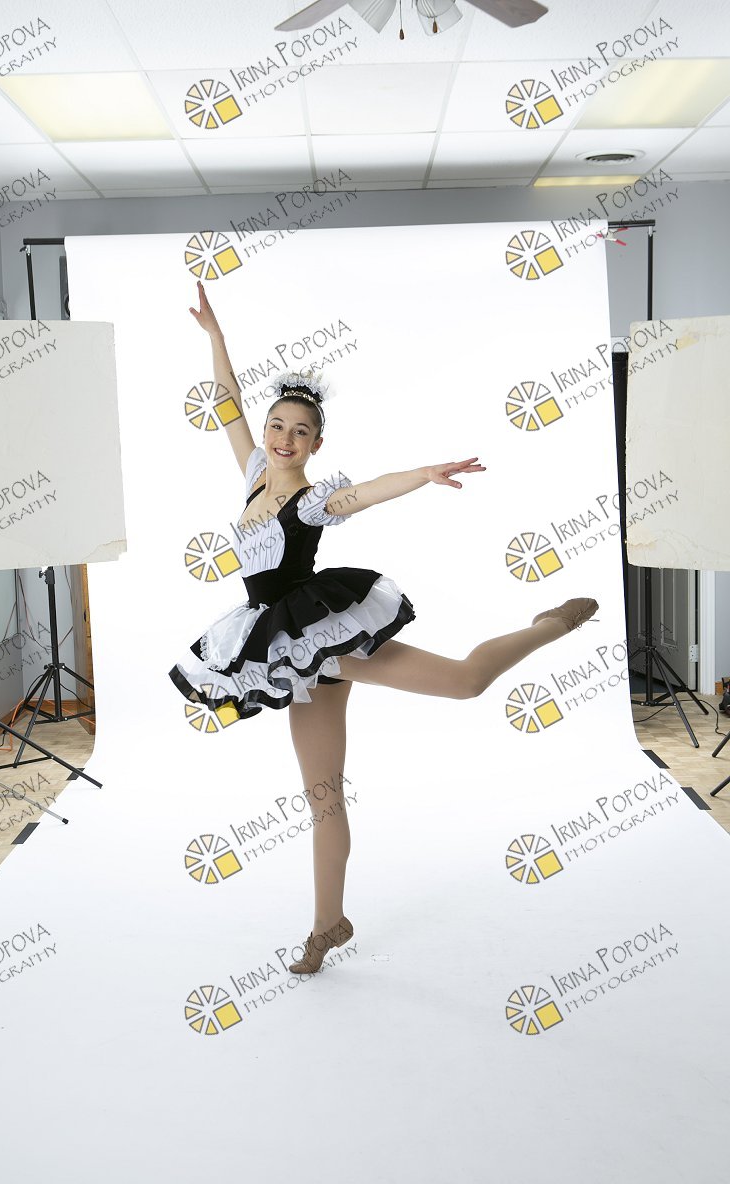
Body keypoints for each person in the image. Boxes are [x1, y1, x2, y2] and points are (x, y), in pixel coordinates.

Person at [169, 280, 599, 974]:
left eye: (299, 431)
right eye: (277, 426)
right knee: (322, 797)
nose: (283, 438)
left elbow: (364, 493)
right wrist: (215, 337)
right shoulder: (251, 473)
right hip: (286, 649)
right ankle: (328, 925)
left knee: (465, 682)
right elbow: (227, 405)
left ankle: (549, 625)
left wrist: (423, 473)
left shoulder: (311, 501)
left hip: (320, 631)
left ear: (317, 443)